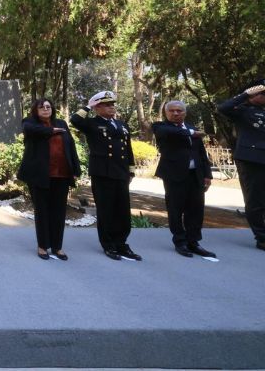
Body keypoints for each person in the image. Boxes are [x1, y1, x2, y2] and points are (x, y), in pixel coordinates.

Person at [70, 91, 141, 261]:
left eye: (112, 104)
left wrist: (131, 170)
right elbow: (75, 120)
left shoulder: (121, 124)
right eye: (107, 105)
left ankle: (122, 243)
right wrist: (89, 105)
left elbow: (127, 149)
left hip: (121, 172)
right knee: (106, 209)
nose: (112, 107)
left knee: (122, 210)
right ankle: (109, 244)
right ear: (98, 107)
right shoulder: (92, 124)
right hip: (103, 172)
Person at [17, 99, 81, 261]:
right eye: (42, 107)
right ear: (36, 110)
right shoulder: (30, 122)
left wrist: (76, 169)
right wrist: (52, 131)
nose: (46, 109)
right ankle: (42, 246)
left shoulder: (62, 123)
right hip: (39, 175)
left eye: (48, 107)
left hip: (62, 174)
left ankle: (57, 247)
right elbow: (31, 130)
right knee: (42, 211)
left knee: (59, 212)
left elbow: (70, 146)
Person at [152, 101, 215, 258]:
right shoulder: (160, 127)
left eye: (179, 111)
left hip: (196, 175)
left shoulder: (192, 127)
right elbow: (170, 133)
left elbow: (201, 153)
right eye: (172, 111)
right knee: (175, 209)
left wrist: (207, 174)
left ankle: (193, 242)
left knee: (196, 209)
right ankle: (180, 242)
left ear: (184, 113)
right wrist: (191, 133)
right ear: (166, 113)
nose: (175, 113)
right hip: (174, 175)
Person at [218, 79, 265, 251]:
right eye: (262, 93)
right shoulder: (242, 110)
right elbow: (222, 108)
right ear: (254, 95)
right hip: (252, 159)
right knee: (255, 199)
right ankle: (261, 237)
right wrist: (245, 94)